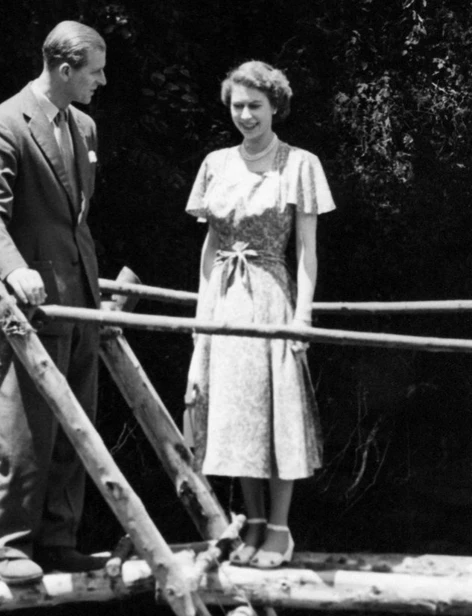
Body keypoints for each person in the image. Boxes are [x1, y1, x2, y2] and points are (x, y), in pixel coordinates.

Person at [0, 21, 108, 584]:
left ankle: (59, 537)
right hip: (29, 304)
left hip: (83, 300)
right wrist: (15, 269)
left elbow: (76, 218)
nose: (102, 80)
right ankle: (9, 545)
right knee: (25, 432)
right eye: (95, 70)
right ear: (65, 69)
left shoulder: (88, 127)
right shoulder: (3, 124)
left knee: (78, 428)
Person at [184, 60, 335, 569]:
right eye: (237, 106)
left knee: (277, 412)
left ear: (275, 107)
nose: (246, 115)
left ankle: (279, 527)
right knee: (235, 412)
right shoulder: (215, 163)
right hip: (225, 300)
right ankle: (249, 520)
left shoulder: (300, 164)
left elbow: (307, 253)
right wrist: (203, 317)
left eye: (255, 106)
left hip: (272, 295)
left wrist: (303, 318)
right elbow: (211, 246)